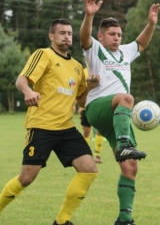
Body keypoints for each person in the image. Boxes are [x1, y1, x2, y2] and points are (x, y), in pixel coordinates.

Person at [0, 19, 100, 225]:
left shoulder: (77, 67)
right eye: (62, 33)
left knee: (89, 169)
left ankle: (62, 221)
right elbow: (22, 79)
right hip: (41, 126)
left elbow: (80, 100)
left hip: (66, 128)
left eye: (70, 33)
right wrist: (28, 90)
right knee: (26, 178)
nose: (67, 36)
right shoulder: (43, 54)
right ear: (51, 36)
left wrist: (89, 86)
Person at [80, 0, 160, 225]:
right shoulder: (93, 49)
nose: (117, 38)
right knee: (126, 97)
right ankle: (124, 144)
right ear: (101, 36)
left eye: (119, 35)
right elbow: (84, 36)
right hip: (97, 107)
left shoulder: (125, 52)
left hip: (118, 117)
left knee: (130, 167)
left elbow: (142, 43)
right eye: (112, 35)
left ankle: (124, 218)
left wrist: (151, 23)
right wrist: (89, 15)